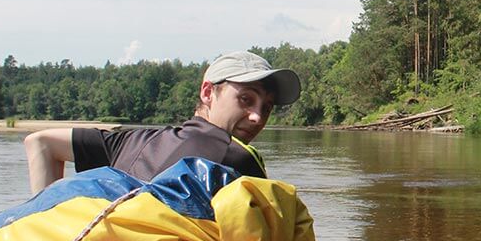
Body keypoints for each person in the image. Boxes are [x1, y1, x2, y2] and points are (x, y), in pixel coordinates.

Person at [25, 50, 301, 193]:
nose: (257, 117)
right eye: (245, 99)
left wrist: (44, 219)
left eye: (266, 107)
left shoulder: (130, 140)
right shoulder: (238, 159)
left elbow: (40, 142)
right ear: (208, 92)